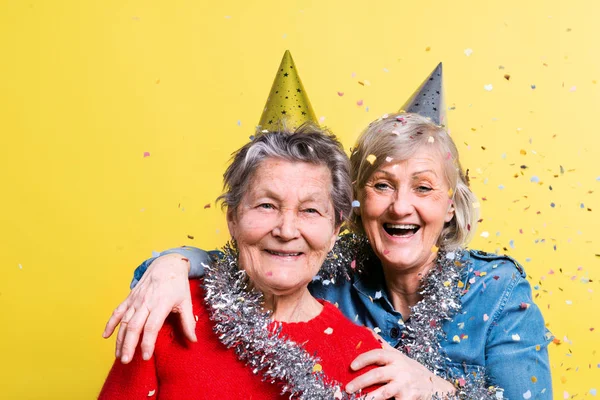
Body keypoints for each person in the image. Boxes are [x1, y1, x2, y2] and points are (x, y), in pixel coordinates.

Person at [105, 113, 553, 399]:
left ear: (451, 203)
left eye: (423, 187)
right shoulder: (330, 271)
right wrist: (172, 264)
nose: (400, 206)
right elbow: (249, 264)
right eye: (381, 185)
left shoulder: (495, 292)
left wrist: (440, 391)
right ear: (355, 207)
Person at [99, 125, 397, 399]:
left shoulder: (366, 358)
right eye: (266, 205)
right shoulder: (169, 310)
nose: (286, 230)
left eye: (310, 210)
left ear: (334, 232)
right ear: (233, 218)